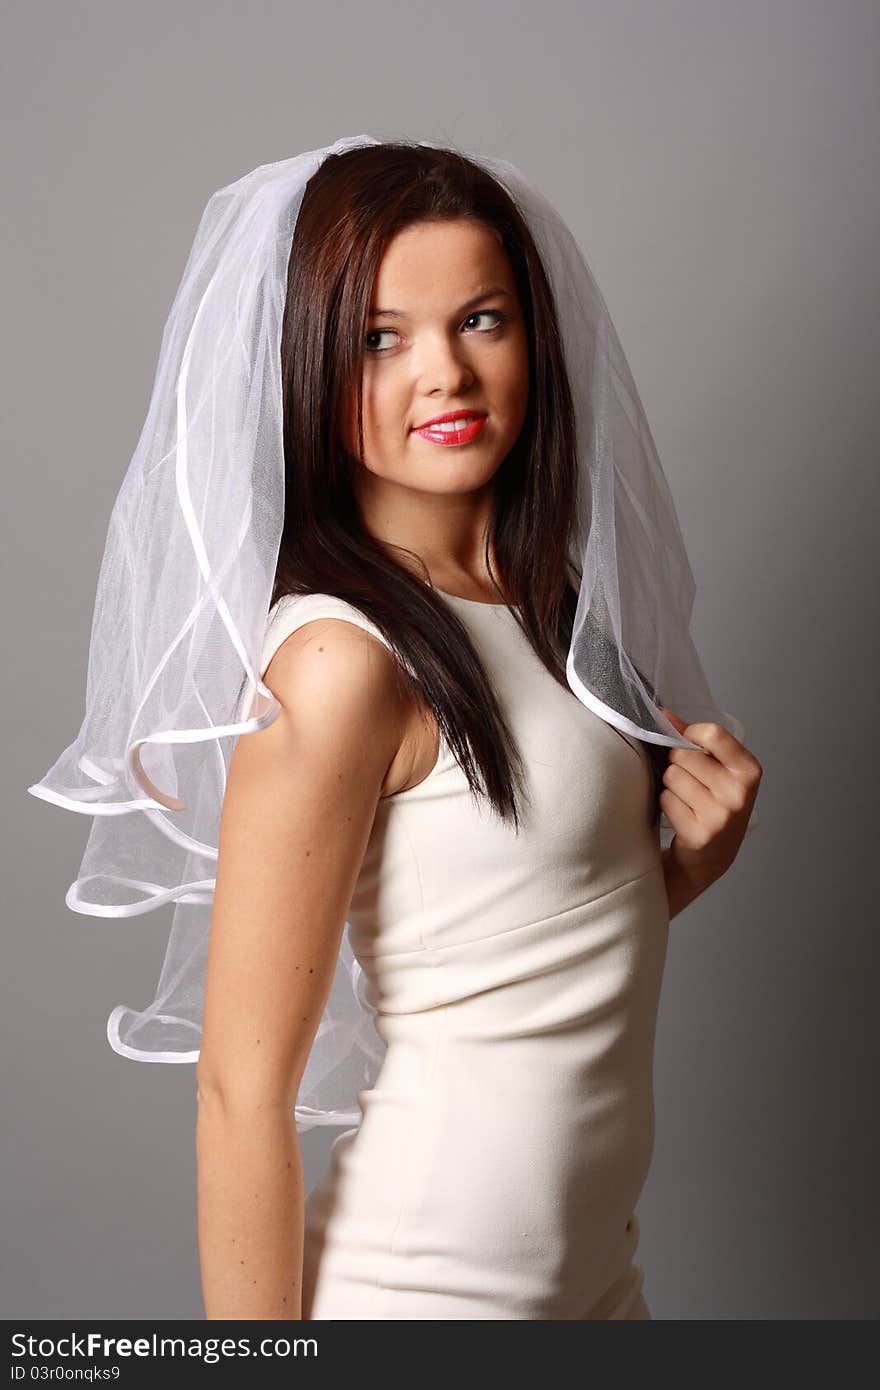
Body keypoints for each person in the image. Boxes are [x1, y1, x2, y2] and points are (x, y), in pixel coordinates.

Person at [27, 136, 761, 1320]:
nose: (446, 377)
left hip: (593, 1284)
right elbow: (240, 1088)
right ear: (312, 364)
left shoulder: (550, 604)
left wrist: (682, 866)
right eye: (381, 338)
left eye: (481, 320)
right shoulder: (340, 657)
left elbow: (503, 953)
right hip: (431, 1295)